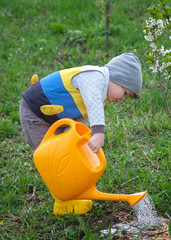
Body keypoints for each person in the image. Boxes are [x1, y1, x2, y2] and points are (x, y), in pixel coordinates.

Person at [19, 53, 143, 215]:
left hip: (56, 117)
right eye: (125, 93)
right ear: (117, 78)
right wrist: (98, 133)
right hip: (35, 113)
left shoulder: (100, 88)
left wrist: (72, 137)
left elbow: (81, 114)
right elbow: (92, 104)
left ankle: (72, 193)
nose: (123, 99)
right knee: (49, 156)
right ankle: (63, 200)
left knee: (65, 155)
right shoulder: (94, 77)